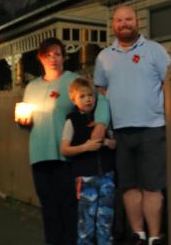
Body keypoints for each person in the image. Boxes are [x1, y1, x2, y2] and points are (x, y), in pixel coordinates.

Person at [16, 38, 109, 245]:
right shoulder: (31, 87)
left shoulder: (73, 81)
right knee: (48, 208)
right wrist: (22, 122)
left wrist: (101, 124)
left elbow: (100, 100)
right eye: (48, 55)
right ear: (41, 58)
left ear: (64, 57)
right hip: (39, 156)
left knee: (69, 207)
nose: (53, 59)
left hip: (66, 156)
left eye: (57, 54)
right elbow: (26, 119)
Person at [93, 6, 171, 245]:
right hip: (121, 131)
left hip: (153, 127)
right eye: (118, 20)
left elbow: (170, 82)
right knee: (128, 186)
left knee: (152, 186)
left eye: (128, 19)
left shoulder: (154, 51)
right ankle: (138, 234)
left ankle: (155, 237)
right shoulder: (104, 57)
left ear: (137, 22)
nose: (124, 23)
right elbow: (101, 88)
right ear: (113, 25)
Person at [61, 78, 116, 245]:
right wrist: (85, 147)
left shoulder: (103, 118)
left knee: (105, 220)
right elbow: (64, 149)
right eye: (82, 96)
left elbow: (114, 143)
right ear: (74, 99)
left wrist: (106, 142)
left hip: (107, 176)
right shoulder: (72, 120)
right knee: (86, 222)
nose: (88, 99)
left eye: (90, 95)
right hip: (85, 179)